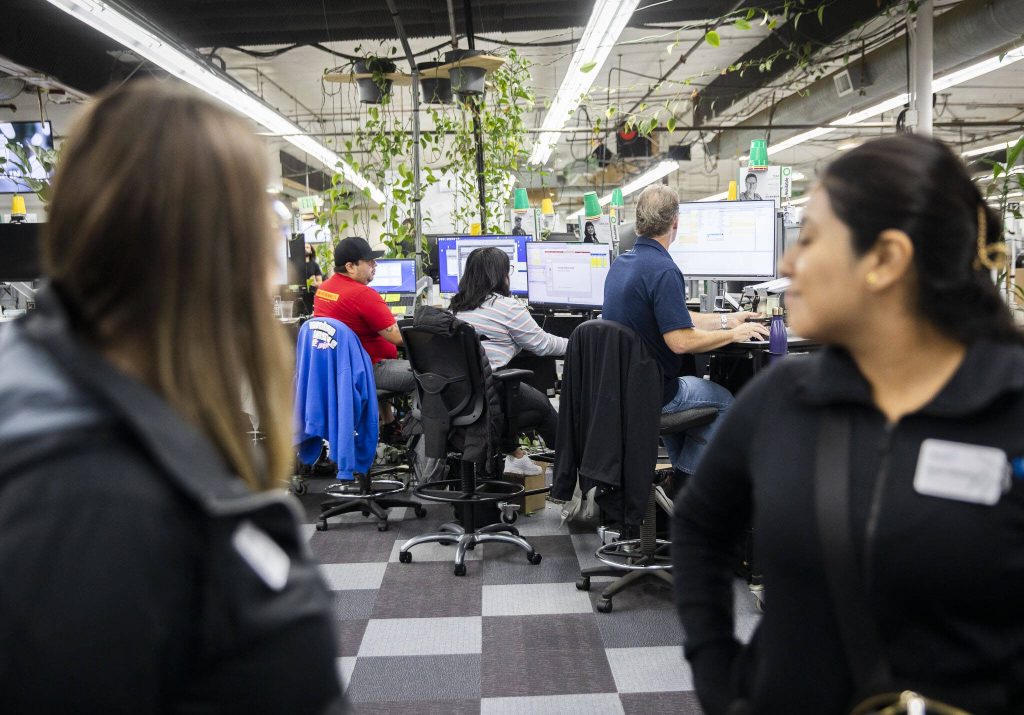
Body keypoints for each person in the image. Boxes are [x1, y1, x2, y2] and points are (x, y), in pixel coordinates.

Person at [0, 81, 344, 712]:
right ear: (219, 257)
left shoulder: (44, 395)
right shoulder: (108, 511)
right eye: (265, 234)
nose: (280, 273)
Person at [673, 135, 1024, 714]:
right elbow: (697, 527)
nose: (787, 264)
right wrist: (718, 676)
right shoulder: (784, 398)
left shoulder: (1009, 409)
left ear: (885, 260)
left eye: (810, 238)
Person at [603, 184, 767, 478]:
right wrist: (735, 335)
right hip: (657, 394)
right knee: (727, 402)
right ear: (675, 223)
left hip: (624, 389)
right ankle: (688, 481)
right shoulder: (664, 270)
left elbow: (676, 317)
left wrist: (728, 320)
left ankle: (677, 482)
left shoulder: (622, 264)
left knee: (694, 392)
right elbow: (680, 341)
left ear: (638, 221)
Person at [449, 247, 567, 475]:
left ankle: (516, 456)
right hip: (489, 391)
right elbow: (542, 345)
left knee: (509, 400)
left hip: (457, 396)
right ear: (500, 275)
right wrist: (578, 343)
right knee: (542, 406)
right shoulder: (507, 307)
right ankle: (569, 465)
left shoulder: (455, 307)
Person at [313, 236, 414, 394]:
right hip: (368, 368)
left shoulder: (324, 289)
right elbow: (398, 338)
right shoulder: (362, 294)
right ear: (350, 267)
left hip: (339, 369)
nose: (375, 265)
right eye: (369, 261)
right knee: (434, 375)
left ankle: (385, 412)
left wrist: (381, 317)